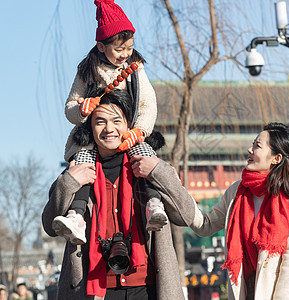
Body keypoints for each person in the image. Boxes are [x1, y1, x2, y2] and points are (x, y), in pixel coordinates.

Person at [131, 122, 289, 300]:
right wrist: (166, 178)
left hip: (278, 291)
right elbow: (204, 225)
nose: (250, 150)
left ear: (276, 158)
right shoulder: (237, 192)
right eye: (252, 145)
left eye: (257, 146)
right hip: (245, 289)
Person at [42, 89, 195, 300]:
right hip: (95, 289)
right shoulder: (78, 170)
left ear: (129, 126)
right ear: (90, 128)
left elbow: (185, 215)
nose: (109, 129)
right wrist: (70, 181)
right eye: (100, 122)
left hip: (148, 286)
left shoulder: (147, 166)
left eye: (116, 121)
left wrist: (158, 171)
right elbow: (49, 226)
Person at [53, 0, 167, 245]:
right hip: (93, 136)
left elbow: (148, 103)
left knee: (145, 159)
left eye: (129, 47)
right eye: (119, 49)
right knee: (82, 167)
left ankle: (154, 203)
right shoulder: (87, 70)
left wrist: (140, 130)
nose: (125, 54)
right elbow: (70, 107)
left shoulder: (135, 68)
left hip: (129, 133)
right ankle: (76, 216)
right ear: (101, 46)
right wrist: (82, 110)